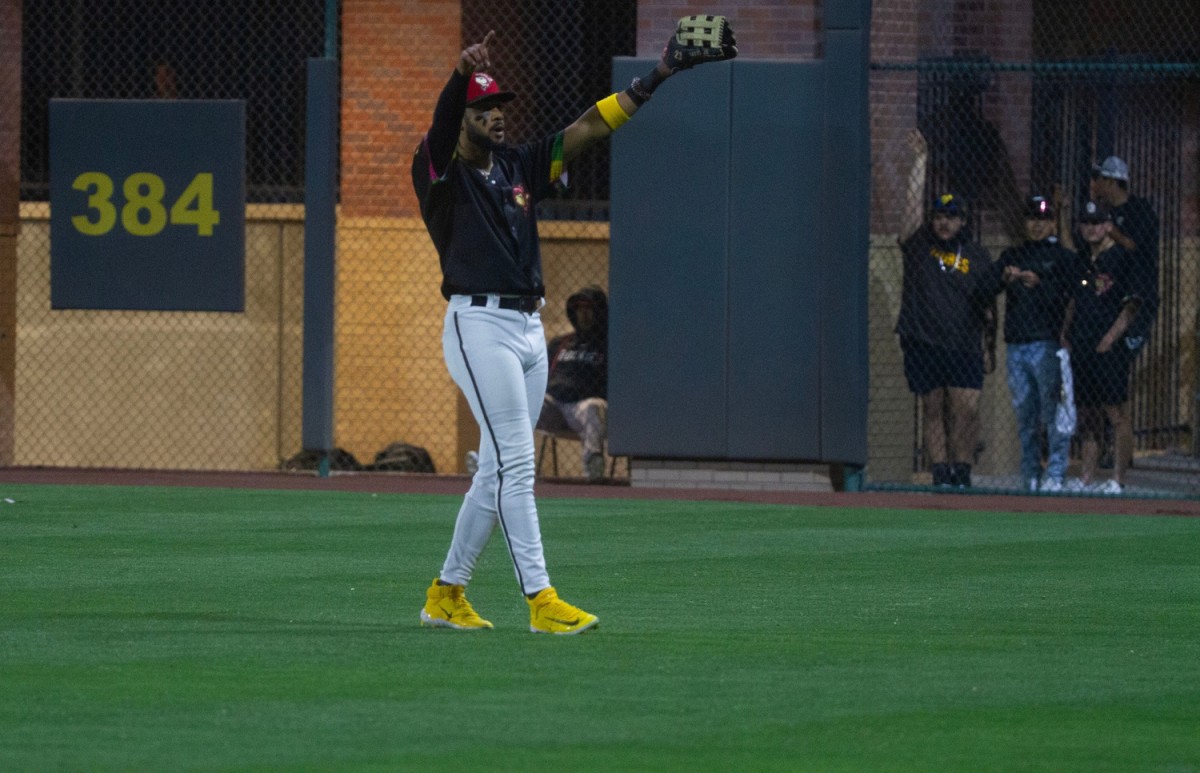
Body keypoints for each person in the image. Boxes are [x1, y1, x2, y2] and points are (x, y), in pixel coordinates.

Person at [410, 23, 737, 634]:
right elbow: (443, 121)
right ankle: (541, 600)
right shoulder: (438, 175)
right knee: (516, 464)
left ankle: (445, 593)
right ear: (461, 120)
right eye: (484, 109)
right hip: (477, 326)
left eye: (500, 105)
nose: (498, 116)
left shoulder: (518, 166)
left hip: (529, 331)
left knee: (496, 470)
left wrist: (657, 77)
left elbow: (587, 129)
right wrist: (460, 77)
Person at [897, 128, 997, 488]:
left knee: (966, 409)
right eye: (939, 215)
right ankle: (940, 471)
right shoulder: (920, 244)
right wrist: (919, 163)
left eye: (952, 216)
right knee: (933, 407)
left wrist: (988, 347)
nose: (944, 222)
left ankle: (963, 468)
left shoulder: (977, 255)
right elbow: (908, 218)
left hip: (964, 343)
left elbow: (988, 305)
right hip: (925, 338)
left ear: (963, 220)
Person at [1059, 201, 1150, 494]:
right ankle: (1086, 477)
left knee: (1115, 413)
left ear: (1108, 225)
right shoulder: (1083, 259)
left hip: (1108, 348)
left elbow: (1132, 305)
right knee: (1087, 415)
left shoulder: (1122, 258)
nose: (1091, 228)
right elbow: (1073, 299)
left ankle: (1117, 479)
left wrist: (1111, 338)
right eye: (1086, 223)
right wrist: (1065, 333)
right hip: (1082, 344)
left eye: (1097, 222)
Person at [995, 195, 1081, 492]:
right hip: (1017, 344)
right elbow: (987, 287)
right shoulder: (1012, 255)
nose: (1036, 225)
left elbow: (1071, 296)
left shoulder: (1062, 258)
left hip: (1047, 344)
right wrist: (1003, 277)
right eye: (1032, 218)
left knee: (1053, 412)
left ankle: (1055, 473)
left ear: (1052, 222)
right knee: (1024, 414)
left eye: (1043, 219)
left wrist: (1039, 284)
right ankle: (1030, 473)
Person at [1088, 156, 1161, 472]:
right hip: (1105, 301)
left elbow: (1135, 246)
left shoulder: (1140, 211)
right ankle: (1113, 449)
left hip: (1136, 301)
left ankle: (1120, 452)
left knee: (1118, 371)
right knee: (1103, 377)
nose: (1097, 185)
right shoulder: (1102, 214)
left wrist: (1108, 228)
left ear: (1113, 181)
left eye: (1101, 179)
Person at [538, 286, 609, 481]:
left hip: (585, 407)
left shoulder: (609, 344)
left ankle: (593, 467)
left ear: (599, 312)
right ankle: (503, 463)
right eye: (579, 308)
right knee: (530, 402)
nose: (583, 313)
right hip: (556, 406)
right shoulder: (560, 343)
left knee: (593, 407)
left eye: (588, 308)